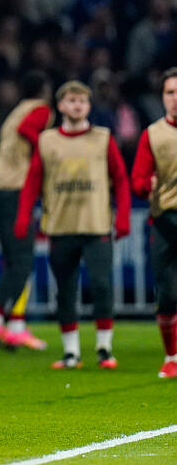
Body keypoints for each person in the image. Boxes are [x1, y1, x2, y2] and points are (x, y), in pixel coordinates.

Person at [15, 80, 130, 369]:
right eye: (71, 100)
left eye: (82, 100)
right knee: (65, 290)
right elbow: (32, 182)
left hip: (96, 225)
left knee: (102, 286)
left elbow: (120, 179)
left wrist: (124, 216)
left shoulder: (103, 138)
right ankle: (71, 352)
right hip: (61, 226)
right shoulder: (47, 140)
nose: (77, 105)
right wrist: (23, 216)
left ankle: (104, 347)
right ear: (61, 106)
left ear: (89, 106)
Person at [0, 71, 53, 350]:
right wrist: (46, 149)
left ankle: (16, 325)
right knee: (23, 260)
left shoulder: (15, 111)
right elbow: (28, 131)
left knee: (16, 262)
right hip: (16, 191)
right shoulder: (40, 110)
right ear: (45, 90)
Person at [131, 67, 177, 379]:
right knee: (168, 294)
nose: (175, 99)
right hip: (165, 220)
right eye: (170, 93)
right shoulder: (153, 134)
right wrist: (145, 184)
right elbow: (137, 180)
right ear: (162, 98)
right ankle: (171, 357)